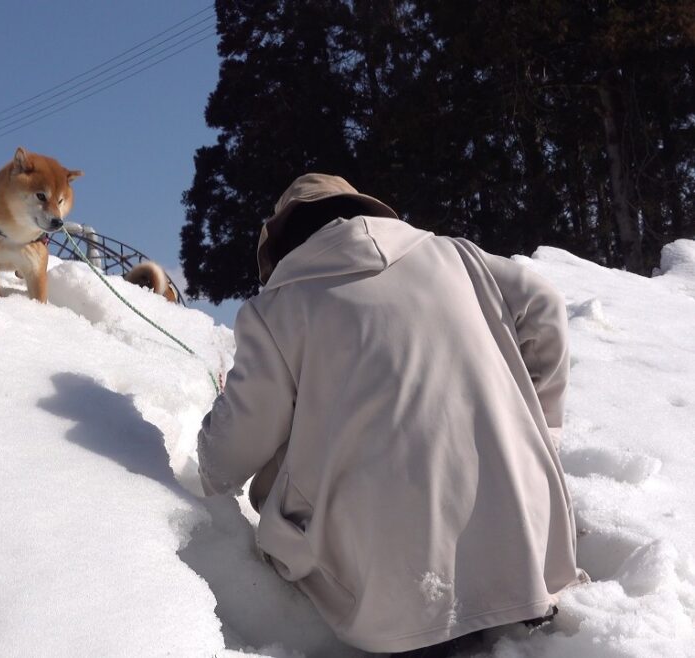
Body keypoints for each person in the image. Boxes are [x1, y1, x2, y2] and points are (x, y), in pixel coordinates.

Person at [196, 173, 587, 656]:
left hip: (390, 603)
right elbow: (545, 303)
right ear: (369, 212)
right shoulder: (460, 258)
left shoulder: (275, 309)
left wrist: (208, 458)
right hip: (524, 563)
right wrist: (538, 426)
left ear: (280, 244)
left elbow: (234, 449)